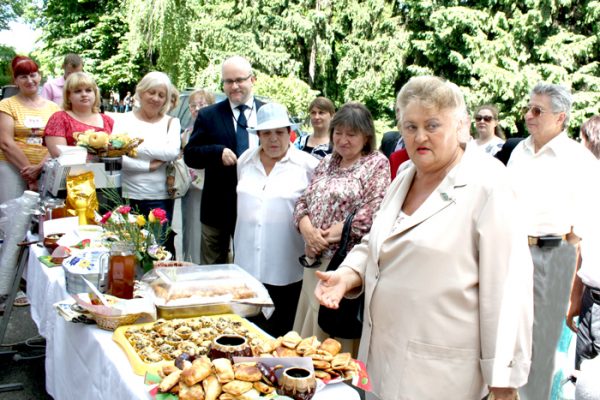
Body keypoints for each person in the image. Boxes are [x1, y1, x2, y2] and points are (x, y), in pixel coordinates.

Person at [315, 76, 533, 399]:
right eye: (410, 126)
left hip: (441, 376)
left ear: (461, 126)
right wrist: (348, 275)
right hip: (379, 363)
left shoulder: (489, 184)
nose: (420, 136)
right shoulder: (404, 175)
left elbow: (508, 290)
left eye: (432, 125)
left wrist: (503, 382)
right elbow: (378, 240)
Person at [507, 83, 597, 400]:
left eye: (537, 110)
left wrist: (573, 290)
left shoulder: (578, 160)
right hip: (514, 253)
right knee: (511, 343)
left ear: (560, 117)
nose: (529, 116)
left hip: (554, 256)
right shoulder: (518, 151)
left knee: (545, 351)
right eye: (528, 108)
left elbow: (582, 230)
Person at [293, 102, 390, 350]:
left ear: (366, 136)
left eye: (351, 134)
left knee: (333, 340)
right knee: (308, 337)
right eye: (339, 132)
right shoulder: (326, 162)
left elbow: (371, 214)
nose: (343, 140)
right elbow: (303, 201)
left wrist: (323, 238)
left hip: (343, 266)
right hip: (313, 262)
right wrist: (307, 231)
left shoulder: (376, 163)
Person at [234, 102, 319, 337]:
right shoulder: (245, 161)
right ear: (258, 135)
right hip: (247, 268)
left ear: (289, 133)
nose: (273, 139)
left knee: (282, 338)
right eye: (267, 133)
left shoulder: (308, 166)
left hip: (286, 270)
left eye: (279, 132)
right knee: (246, 336)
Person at [184, 55, 265, 264]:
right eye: (229, 81)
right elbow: (191, 155)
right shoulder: (209, 116)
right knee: (212, 272)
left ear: (252, 80)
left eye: (240, 80)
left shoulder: (266, 113)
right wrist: (216, 152)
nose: (235, 86)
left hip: (256, 210)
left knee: (252, 269)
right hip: (216, 210)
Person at [111, 71, 181, 254]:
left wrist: (132, 147)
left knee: (156, 252)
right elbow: (116, 157)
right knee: (128, 251)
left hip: (159, 199)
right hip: (128, 195)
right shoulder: (123, 120)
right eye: (152, 92)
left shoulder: (172, 122)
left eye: (161, 95)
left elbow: (172, 151)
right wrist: (148, 165)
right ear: (141, 92)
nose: (156, 98)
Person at [0, 56, 60, 203]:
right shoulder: (6, 105)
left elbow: (57, 143)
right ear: (16, 81)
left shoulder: (54, 108)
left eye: (33, 75)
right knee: (13, 220)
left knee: (45, 218)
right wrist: (29, 172)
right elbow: (5, 143)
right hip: (12, 167)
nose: (29, 80)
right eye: (23, 77)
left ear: (39, 76)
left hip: (46, 169)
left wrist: (39, 168)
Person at [566, 115, 600, 371]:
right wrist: (576, 299)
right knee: (581, 381)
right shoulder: (591, 182)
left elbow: (574, 237)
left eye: (582, 140)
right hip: (591, 297)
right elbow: (582, 247)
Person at [180, 89, 216, 263]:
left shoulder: (216, 130)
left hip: (211, 187)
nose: (196, 109)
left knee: (209, 233)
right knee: (190, 228)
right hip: (190, 188)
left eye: (202, 105)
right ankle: (190, 261)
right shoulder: (186, 133)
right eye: (193, 105)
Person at [44, 72, 114, 157]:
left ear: (95, 94)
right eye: (77, 91)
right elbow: (58, 155)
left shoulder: (108, 120)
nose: (84, 94)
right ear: (68, 96)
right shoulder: (59, 119)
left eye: (88, 90)